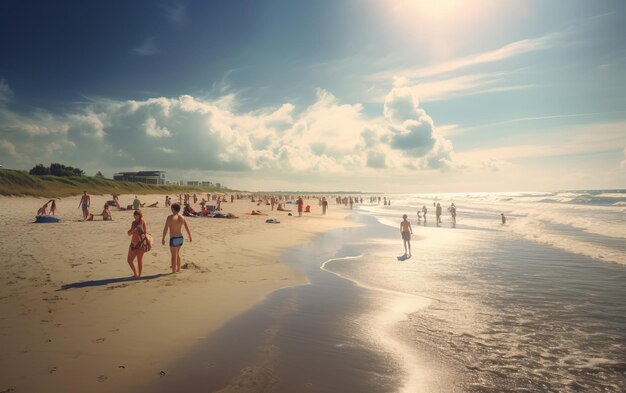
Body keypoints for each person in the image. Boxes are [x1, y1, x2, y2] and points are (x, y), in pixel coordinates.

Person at [162, 203, 192, 274]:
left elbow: (165, 229)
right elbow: (187, 228)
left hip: (173, 238)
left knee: (173, 255)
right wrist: (190, 236)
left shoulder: (170, 217)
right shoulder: (182, 217)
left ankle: (174, 271)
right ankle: (178, 269)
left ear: (173, 209)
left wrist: (163, 238)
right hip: (180, 238)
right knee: (178, 254)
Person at [127, 210, 148, 277]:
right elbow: (129, 233)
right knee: (129, 260)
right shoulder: (133, 223)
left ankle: (139, 275)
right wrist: (133, 230)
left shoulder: (142, 222)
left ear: (140, 215)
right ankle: (135, 273)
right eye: (134, 215)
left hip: (140, 244)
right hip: (133, 243)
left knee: (139, 260)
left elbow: (145, 233)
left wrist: (139, 232)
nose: (135, 216)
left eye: (137, 215)